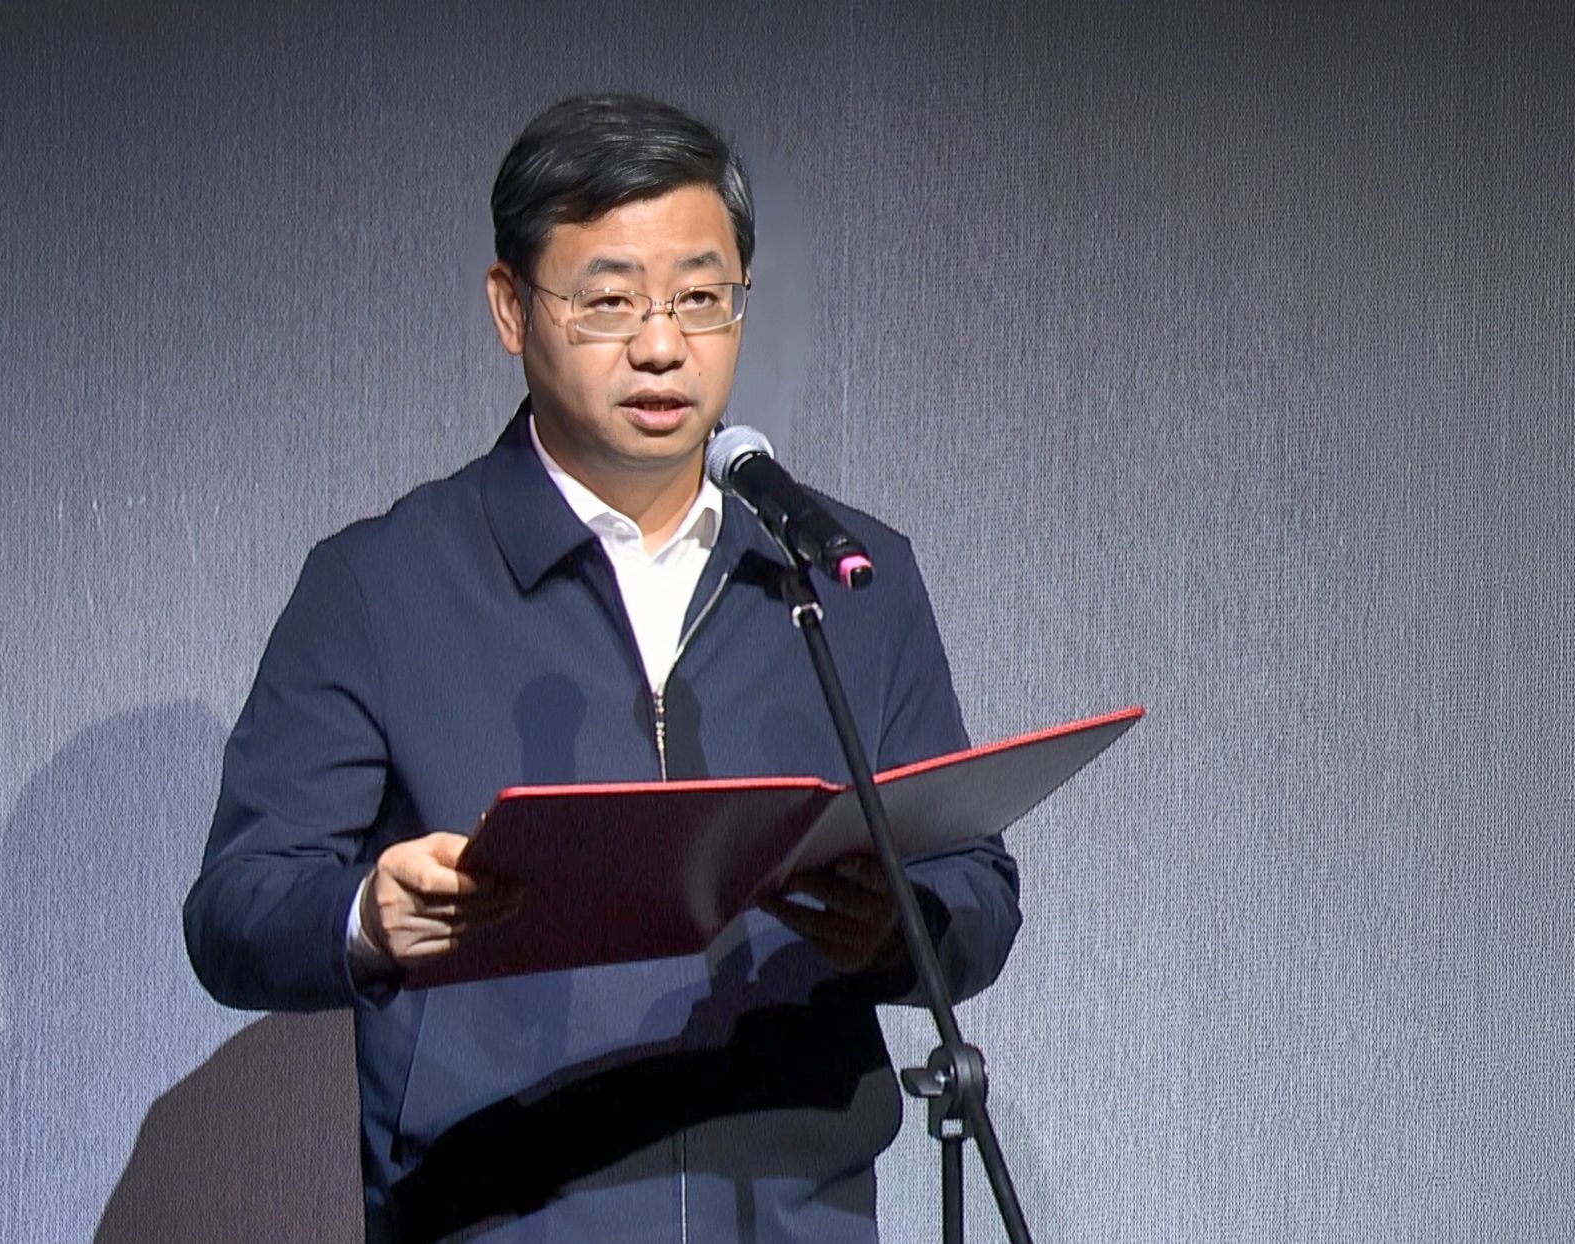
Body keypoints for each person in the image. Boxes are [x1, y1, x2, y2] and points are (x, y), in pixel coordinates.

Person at [184, 94, 1022, 1243]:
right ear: (510, 306)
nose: (661, 345)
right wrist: (364, 913)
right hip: (496, 1215)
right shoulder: (378, 584)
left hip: (793, 1219)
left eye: (700, 298)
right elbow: (234, 911)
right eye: (610, 300)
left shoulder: (837, 573)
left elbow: (976, 888)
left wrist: (896, 925)